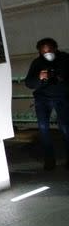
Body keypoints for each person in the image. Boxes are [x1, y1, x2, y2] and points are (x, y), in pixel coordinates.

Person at [24, 37, 69, 170]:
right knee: (43, 129)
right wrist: (39, 78)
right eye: (43, 52)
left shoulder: (65, 59)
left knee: (66, 128)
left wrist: (62, 78)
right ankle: (49, 160)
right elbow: (29, 83)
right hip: (42, 99)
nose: (46, 53)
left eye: (49, 50)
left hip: (62, 97)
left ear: (55, 48)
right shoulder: (37, 63)